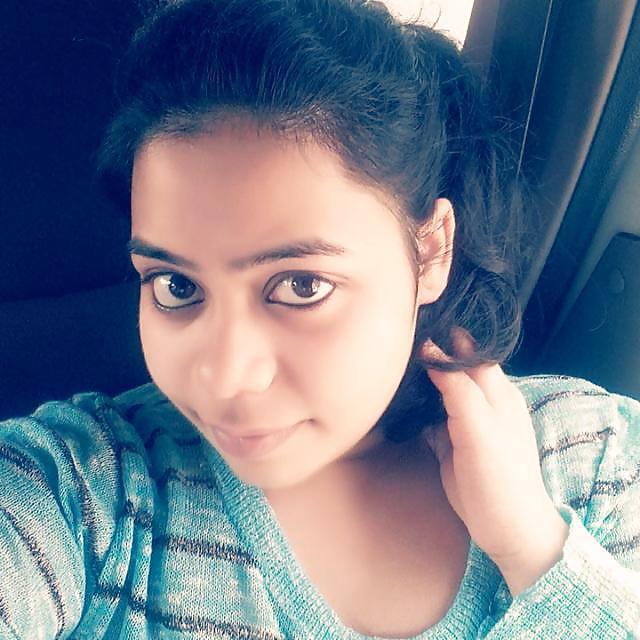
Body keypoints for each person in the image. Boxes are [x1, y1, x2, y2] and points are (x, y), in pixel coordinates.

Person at [0, 0, 638, 638]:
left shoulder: (594, 460)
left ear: (431, 251)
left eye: (301, 286)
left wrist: (537, 551)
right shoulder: (87, 489)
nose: (225, 377)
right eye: (176, 286)